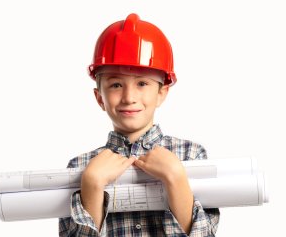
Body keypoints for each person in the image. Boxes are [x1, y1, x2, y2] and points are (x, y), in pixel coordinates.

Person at [59, 13, 219, 236]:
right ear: (99, 98)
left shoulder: (190, 155)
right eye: (115, 85)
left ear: (162, 93)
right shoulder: (80, 167)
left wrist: (175, 177)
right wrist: (92, 184)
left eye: (142, 83)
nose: (129, 97)